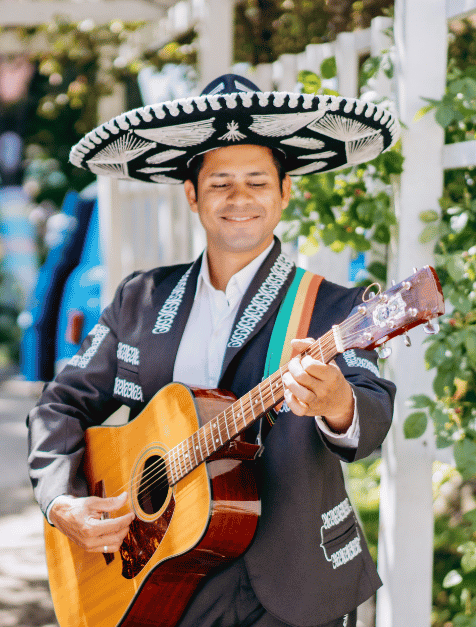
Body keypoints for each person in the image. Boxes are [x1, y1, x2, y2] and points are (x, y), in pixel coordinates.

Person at [28, 74, 401, 627]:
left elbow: (371, 419)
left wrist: (338, 403)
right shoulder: (142, 298)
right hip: (162, 577)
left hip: (294, 586)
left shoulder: (335, 309)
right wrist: (63, 502)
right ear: (192, 194)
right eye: (221, 182)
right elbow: (59, 404)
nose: (240, 198)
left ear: (284, 191)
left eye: (256, 181)